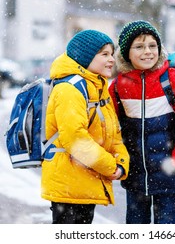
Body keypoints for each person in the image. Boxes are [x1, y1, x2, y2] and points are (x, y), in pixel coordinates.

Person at [108, 20, 175, 224]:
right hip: (135, 179)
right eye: (139, 46)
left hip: (168, 179)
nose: (148, 52)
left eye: (153, 45)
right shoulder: (119, 86)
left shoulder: (171, 79)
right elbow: (110, 130)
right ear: (126, 52)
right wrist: (119, 162)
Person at [41, 29, 129, 224]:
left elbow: (114, 135)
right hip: (69, 184)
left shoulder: (97, 87)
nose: (112, 60)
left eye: (112, 54)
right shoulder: (69, 90)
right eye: (104, 54)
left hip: (86, 181)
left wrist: (121, 163)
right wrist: (109, 165)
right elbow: (75, 139)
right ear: (85, 56)